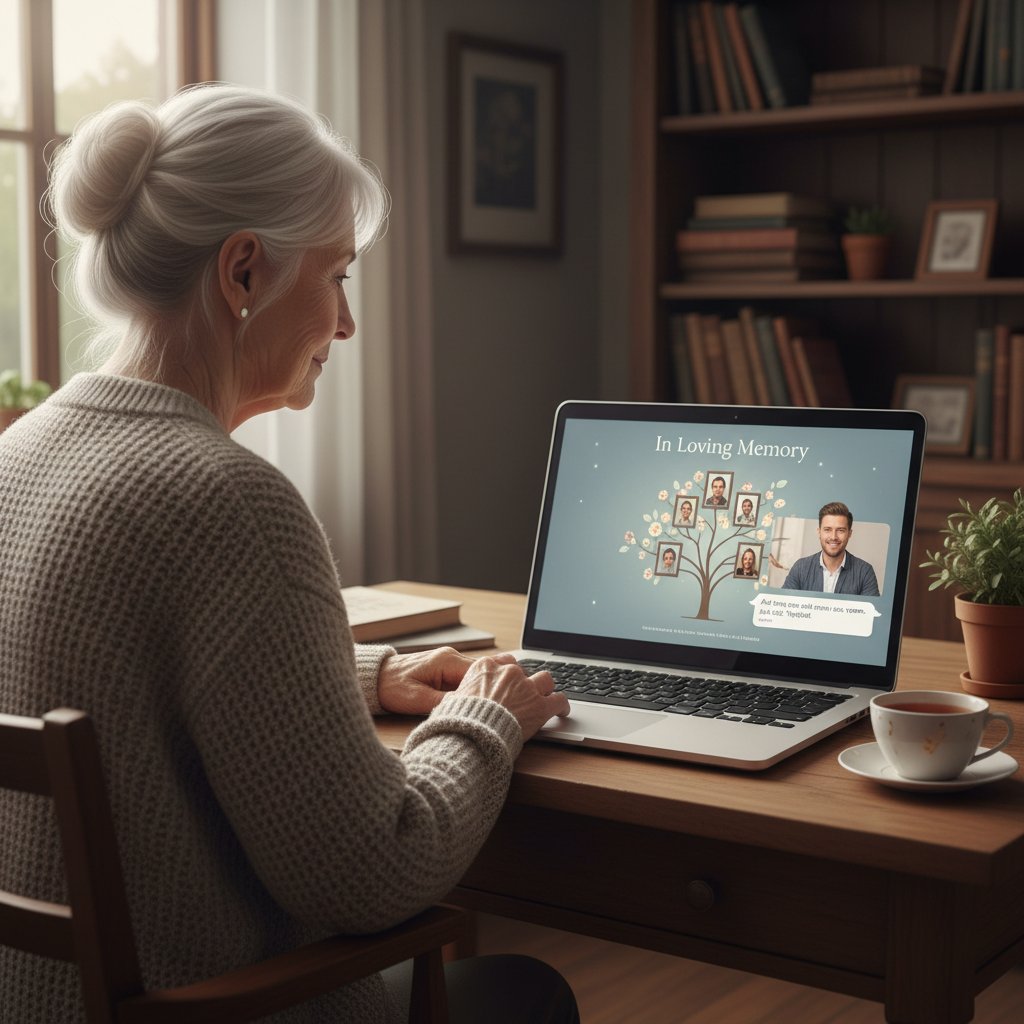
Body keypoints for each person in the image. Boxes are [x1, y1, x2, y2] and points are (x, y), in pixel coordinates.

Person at [0, 85, 578, 1024]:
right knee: (527, 992)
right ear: (242, 273)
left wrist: (363, 676)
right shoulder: (230, 500)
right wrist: (486, 718)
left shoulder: (18, 454)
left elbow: (117, 693)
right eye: (339, 275)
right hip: (209, 1007)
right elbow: (377, 872)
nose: (346, 326)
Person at [782, 501, 880, 596]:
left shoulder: (865, 572)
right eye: (827, 530)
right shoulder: (800, 568)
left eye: (840, 530)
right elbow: (785, 606)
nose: (833, 537)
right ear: (819, 532)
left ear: (849, 534)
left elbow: (871, 611)